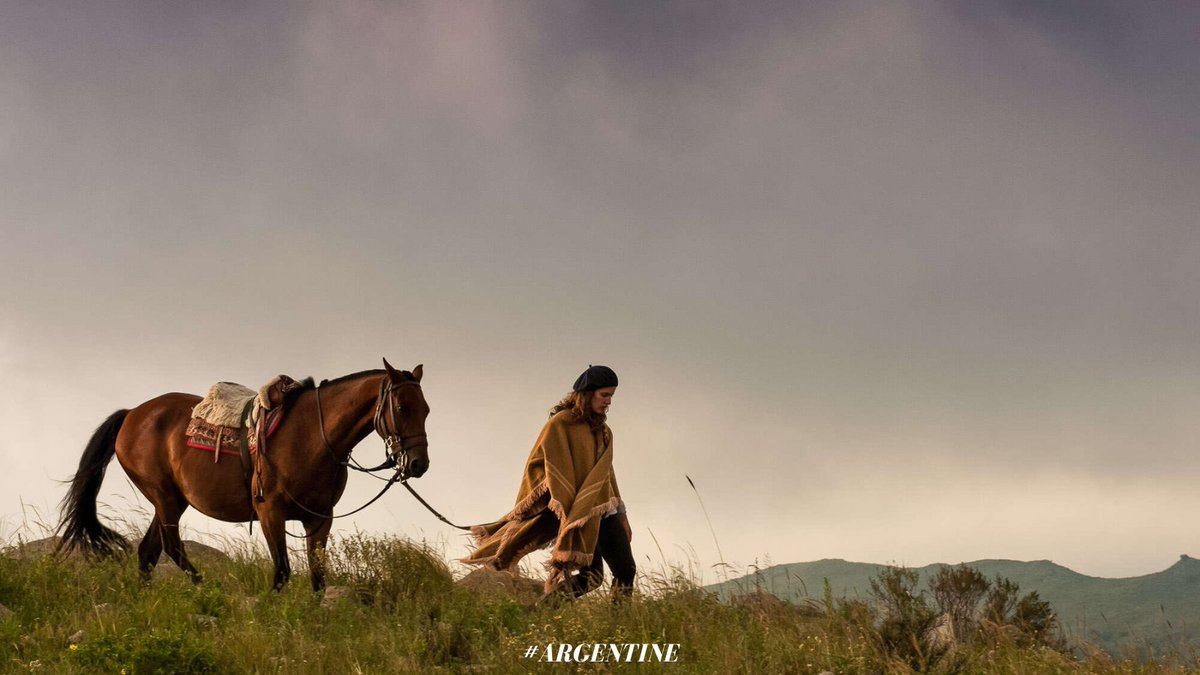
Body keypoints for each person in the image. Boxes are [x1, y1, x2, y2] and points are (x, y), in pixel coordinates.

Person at [463, 365, 634, 600]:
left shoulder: (603, 432)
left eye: (611, 396)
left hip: (605, 510)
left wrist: (622, 514)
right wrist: (568, 509)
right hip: (579, 515)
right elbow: (541, 468)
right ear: (587, 393)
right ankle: (543, 612)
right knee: (592, 577)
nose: (609, 402)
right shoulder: (559, 425)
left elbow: (607, 476)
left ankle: (620, 630)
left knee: (626, 571)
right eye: (605, 395)